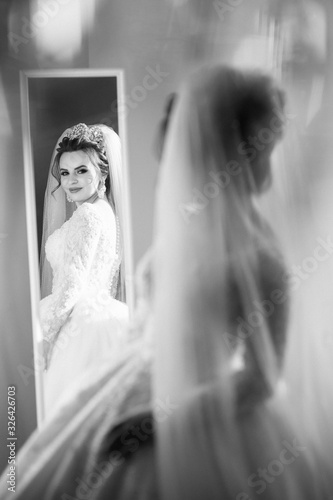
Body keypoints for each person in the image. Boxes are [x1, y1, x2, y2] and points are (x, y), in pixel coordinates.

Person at [0, 66, 331, 499]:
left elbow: (260, 380)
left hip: (203, 412)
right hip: (129, 380)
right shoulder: (188, 226)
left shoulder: (260, 256)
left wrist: (158, 420)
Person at [40, 123, 129, 416]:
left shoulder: (88, 216)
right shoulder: (106, 212)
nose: (71, 181)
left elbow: (69, 289)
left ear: (102, 172)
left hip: (78, 329)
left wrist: (45, 339)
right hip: (99, 320)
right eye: (65, 173)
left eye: (82, 170)